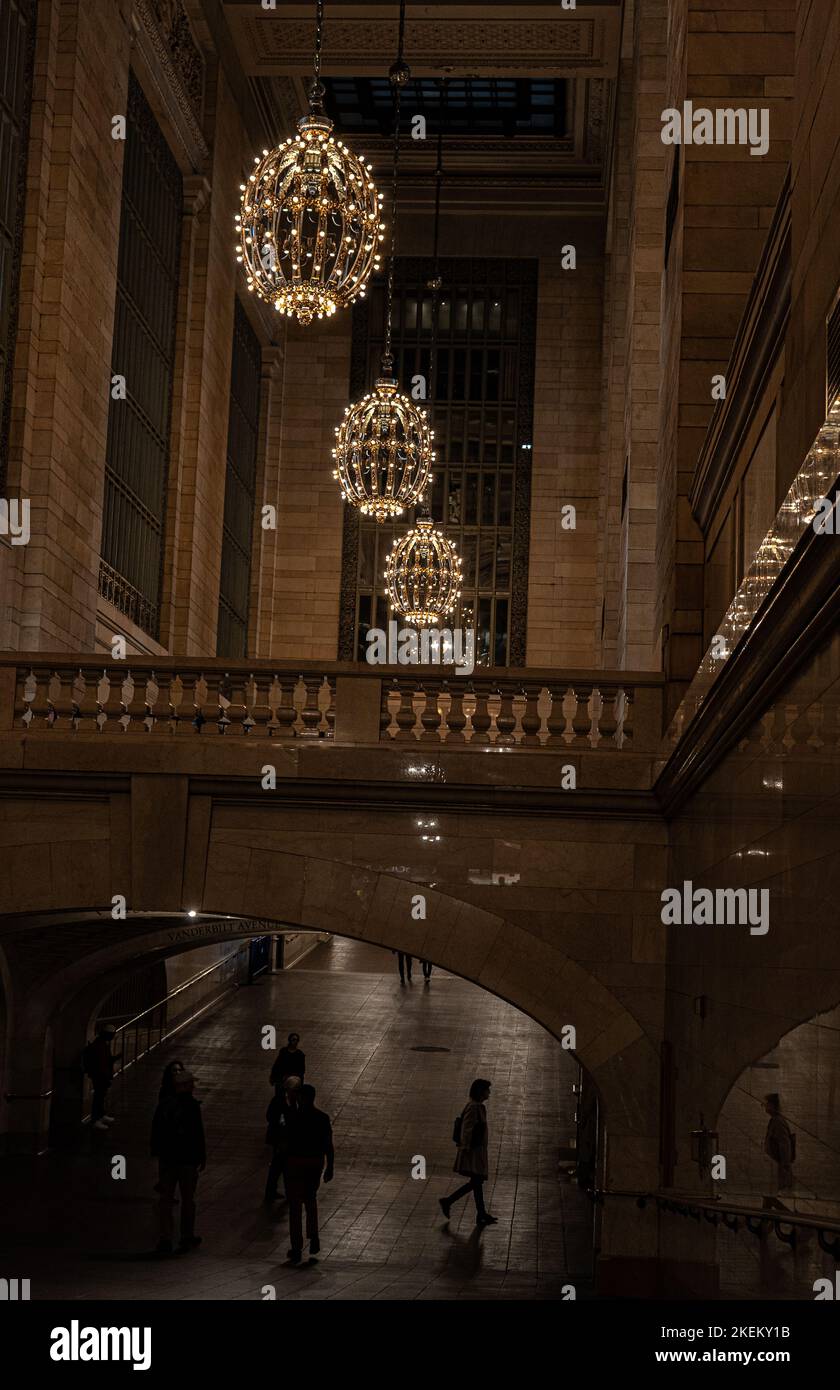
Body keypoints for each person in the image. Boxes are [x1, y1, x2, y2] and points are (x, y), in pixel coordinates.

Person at [151, 1070, 206, 1255]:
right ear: (184, 1086)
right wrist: (201, 1156)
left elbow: (156, 1131)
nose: (193, 1086)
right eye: (191, 1083)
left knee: (165, 1200)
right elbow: (197, 1134)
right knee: (188, 1200)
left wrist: (158, 1153)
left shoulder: (165, 1105)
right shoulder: (191, 1106)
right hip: (187, 1160)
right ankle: (186, 1235)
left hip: (168, 1161)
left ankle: (165, 1237)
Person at [284, 1083, 334, 1264]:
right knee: (310, 1200)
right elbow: (328, 1144)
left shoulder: (293, 1117)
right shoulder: (322, 1118)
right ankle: (313, 1237)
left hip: (295, 1163)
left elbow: (285, 1142)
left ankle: (296, 1246)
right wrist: (330, 1166)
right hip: (314, 1163)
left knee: (295, 1207)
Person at [439, 1078, 497, 1227]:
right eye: (487, 1090)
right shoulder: (474, 1107)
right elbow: (467, 1129)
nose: (489, 1093)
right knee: (477, 1181)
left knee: (476, 1183)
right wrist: (466, 1148)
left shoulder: (478, 1107)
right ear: (480, 1092)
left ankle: (480, 1213)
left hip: (476, 1151)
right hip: (473, 1152)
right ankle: (450, 1201)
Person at [264, 1076, 302, 1203]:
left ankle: (283, 1191)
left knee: (283, 1166)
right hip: (279, 1139)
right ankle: (273, 1191)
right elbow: (270, 1116)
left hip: (289, 1140)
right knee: (278, 1166)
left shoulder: (296, 1103)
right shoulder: (279, 1101)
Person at [82, 1023, 120, 1131]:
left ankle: (101, 1115)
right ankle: (96, 1119)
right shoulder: (100, 1045)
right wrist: (105, 1077)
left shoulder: (102, 1043)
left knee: (101, 1097)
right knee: (98, 1097)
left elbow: (105, 1061)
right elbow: (100, 1064)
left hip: (101, 1075)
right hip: (100, 1076)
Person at [763, 1093, 795, 1210]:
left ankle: (792, 1220)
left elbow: (784, 1144)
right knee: (768, 1196)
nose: (765, 1106)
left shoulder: (778, 1122)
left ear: (772, 1105)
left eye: (766, 1104)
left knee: (769, 1197)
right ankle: (764, 1223)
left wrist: (785, 1166)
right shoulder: (775, 1120)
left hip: (777, 1167)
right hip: (774, 1166)